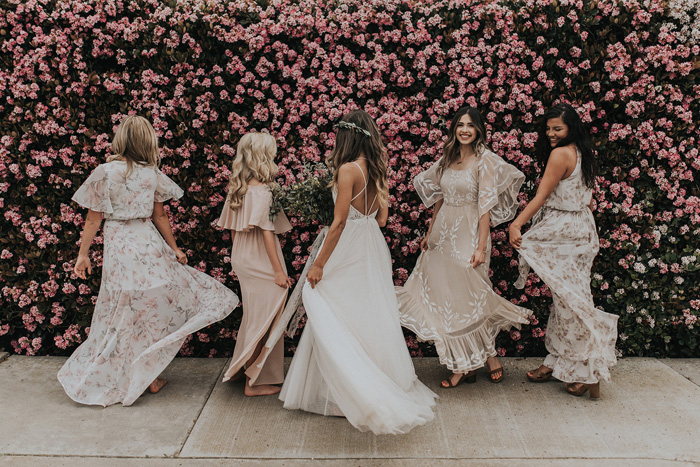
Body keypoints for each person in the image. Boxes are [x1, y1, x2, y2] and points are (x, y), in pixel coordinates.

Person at [58, 115, 238, 406]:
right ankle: (150, 376)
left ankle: (138, 376)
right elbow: (160, 216)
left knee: (120, 312)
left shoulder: (105, 172)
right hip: (148, 243)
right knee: (150, 312)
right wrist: (176, 248)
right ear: (147, 142)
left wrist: (82, 254)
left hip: (119, 247)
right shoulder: (151, 173)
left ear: (121, 140)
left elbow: (94, 218)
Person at [279, 110, 437, 435]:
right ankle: (361, 383)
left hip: (349, 243)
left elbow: (338, 222)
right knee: (366, 314)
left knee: (329, 306)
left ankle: (349, 391)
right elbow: (380, 220)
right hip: (371, 244)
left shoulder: (347, 169)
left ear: (346, 136)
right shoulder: (377, 172)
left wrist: (319, 263)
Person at [397, 107, 531, 388]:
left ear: (479, 129)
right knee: (448, 296)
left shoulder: (485, 161)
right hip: (443, 233)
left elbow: (486, 209)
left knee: (471, 294)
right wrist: (429, 232)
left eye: (470, 125)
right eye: (460, 125)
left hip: (470, 232)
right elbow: (440, 198)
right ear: (454, 129)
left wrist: (481, 247)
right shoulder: (448, 158)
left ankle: (469, 363)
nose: (465, 130)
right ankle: (483, 358)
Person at [509, 103, 618, 399]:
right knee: (568, 298)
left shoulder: (560, 154)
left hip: (564, 230)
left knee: (573, 302)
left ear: (571, 128)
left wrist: (517, 224)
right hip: (582, 228)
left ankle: (590, 369)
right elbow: (587, 199)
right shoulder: (583, 153)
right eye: (548, 129)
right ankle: (559, 361)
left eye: (558, 128)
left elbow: (542, 196)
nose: (551, 134)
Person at [217, 132, 292, 396]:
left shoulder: (238, 189)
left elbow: (234, 230)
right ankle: (253, 381)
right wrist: (278, 271)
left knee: (255, 315)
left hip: (243, 256)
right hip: (262, 258)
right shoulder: (264, 192)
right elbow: (267, 232)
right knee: (266, 316)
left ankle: (243, 370)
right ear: (263, 157)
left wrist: (239, 259)